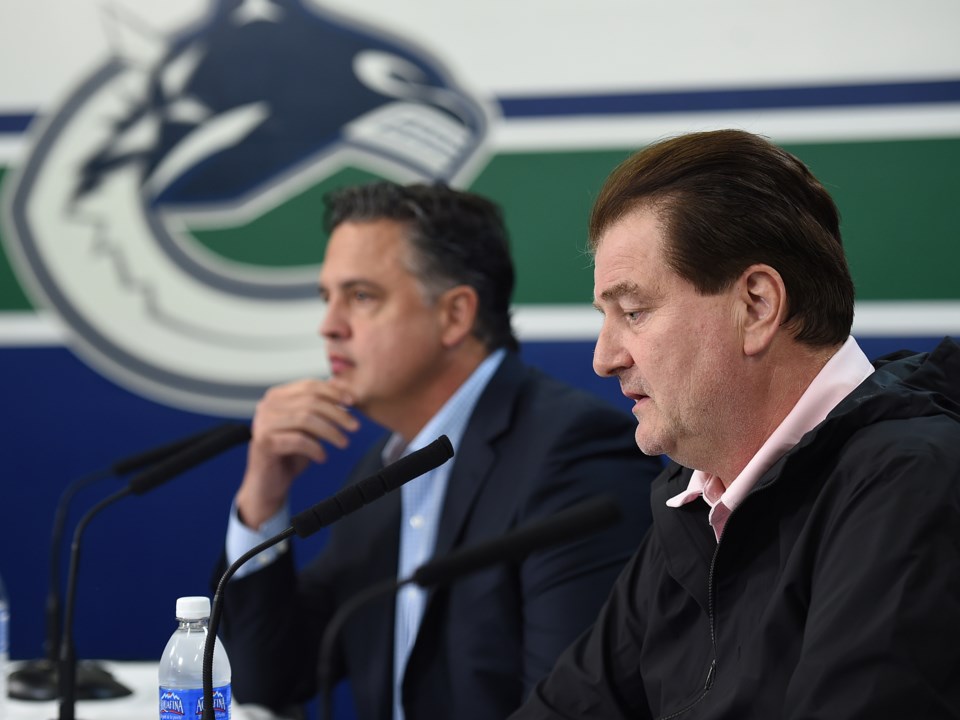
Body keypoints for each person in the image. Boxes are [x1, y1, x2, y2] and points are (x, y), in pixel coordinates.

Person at [511, 129, 960, 719]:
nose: (604, 358)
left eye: (634, 311)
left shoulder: (912, 482)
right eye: (605, 317)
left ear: (755, 306)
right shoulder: (693, 501)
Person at [217, 181, 661, 720]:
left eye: (360, 297)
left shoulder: (574, 453)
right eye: (326, 298)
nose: (329, 326)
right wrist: (262, 497)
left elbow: (575, 708)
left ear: (454, 315)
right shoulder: (386, 469)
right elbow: (271, 677)